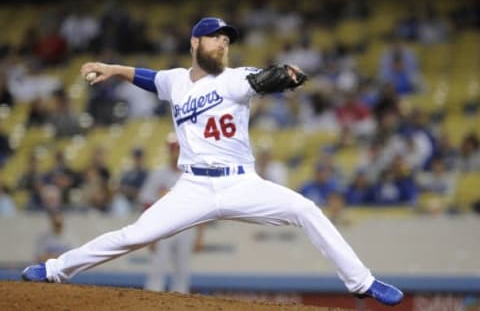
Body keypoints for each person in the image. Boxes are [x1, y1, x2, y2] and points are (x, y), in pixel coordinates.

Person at [22, 17, 403, 306]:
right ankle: (55, 269)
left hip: (242, 184)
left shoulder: (237, 78)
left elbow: (261, 81)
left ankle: (362, 282)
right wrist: (113, 68)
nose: (222, 43)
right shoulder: (175, 81)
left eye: (226, 39)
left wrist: (286, 77)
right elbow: (149, 78)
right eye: (216, 37)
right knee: (133, 236)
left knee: (306, 209)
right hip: (193, 187)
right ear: (195, 42)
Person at [140, 132, 201, 293]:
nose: (176, 152)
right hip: (162, 226)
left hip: (186, 226)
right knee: (157, 267)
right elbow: (148, 203)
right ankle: (151, 303)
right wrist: (148, 233)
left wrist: (200, 234)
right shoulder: (158, 174)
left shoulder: (192, 174)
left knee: (183, 270)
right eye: (173, 149)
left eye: (179, 149)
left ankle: (180, 304)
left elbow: (202, 207)